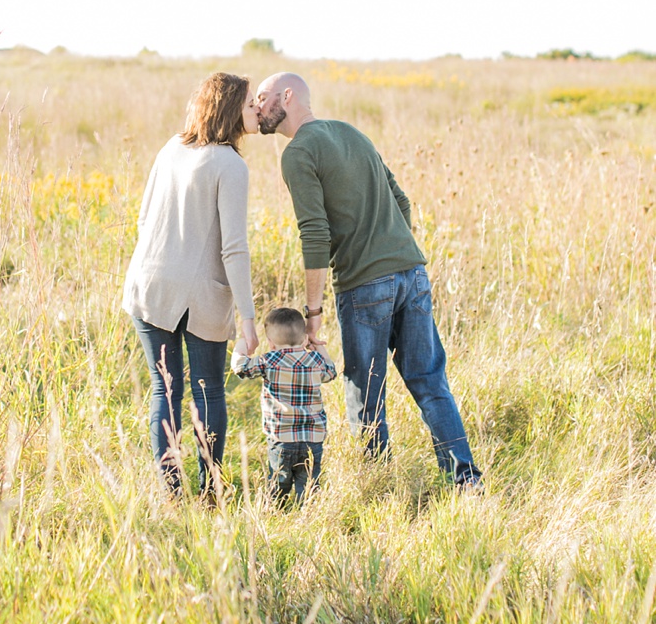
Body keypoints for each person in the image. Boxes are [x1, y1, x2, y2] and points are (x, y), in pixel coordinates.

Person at [256, 72, 482, 490]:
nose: (257, 106)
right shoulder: (350, 133)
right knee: (430, 382)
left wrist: (313, 312)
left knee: (365, 389)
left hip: (364, 284)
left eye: (263, 97)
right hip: (411, 272)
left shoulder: (297, 152)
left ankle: (377, 486)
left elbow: (315, 233)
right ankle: (466, 481)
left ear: (288, 97)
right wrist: (393, 249)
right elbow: (401, 200)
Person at [122, 72, 260, 497]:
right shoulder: (230, 165)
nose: (256, 109)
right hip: (195, 294)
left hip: (148, 281)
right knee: (208, 390)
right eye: (250, 102)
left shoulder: (171, 148)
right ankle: (211, 490)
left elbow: (144, 219)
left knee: (164, 390)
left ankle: (172, 494)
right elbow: (234, 248)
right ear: (232, 108)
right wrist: (248, 318)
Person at [231, 306, 337, 501]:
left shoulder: (269, 360)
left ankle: (274, 511)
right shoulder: (315, 360)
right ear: (305, 339)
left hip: (281, 438)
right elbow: (331, 371)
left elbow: (240, 367)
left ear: (271, 343)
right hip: (313, 439)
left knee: (278, 483)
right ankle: (309, 514)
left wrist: (241, 344)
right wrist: (318, 345)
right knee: (309, 485)